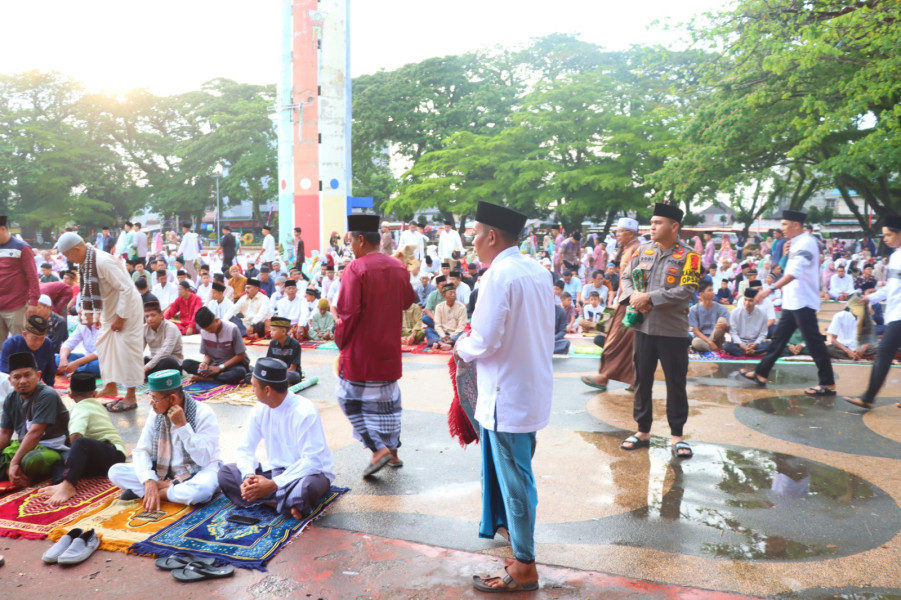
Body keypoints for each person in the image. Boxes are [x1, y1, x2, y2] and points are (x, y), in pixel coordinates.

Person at [456, 201, 552, 594]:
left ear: (492, 236)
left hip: (506, 395)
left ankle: (525, 567)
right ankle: (519, 553)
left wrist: (461, 345)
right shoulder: (538, 270)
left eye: (476, 235)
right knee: (518, 475)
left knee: (517, 484)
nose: (473, 243)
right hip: (528, 389)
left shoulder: (498, 276)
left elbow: (485, 339)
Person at [335, 214, 416, 477]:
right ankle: (393, 453)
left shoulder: (356, 268)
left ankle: (377, 449)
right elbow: (407, 302)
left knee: (349, 400)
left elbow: (348, 314)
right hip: (389, 351)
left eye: (350, 242)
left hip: (361, 353)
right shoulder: (397, 266)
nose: (350, 247)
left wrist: (340, 343)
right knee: (388, 403)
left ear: (361, 240)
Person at [619, 203, 699, 459]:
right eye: (651, 222)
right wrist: (634, 296)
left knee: (676, 383)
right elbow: (626, 278)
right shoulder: (642, 251)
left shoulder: (690, 256)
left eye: (658, 223)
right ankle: (643, 431)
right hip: (643, 328)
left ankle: (677, 435)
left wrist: (649, 298)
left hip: (672, 330)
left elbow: (686, 290)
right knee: (642, 380)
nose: (652, 227)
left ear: (674, 227)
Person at [219, 358, 334, 520]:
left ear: (267, 390)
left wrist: (272, 485)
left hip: (306, 474)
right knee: (225, 474)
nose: (251, 390)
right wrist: (248, 478)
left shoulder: (305, 411)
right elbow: (245, 449)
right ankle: (286, 505)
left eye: (253, 385)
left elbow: (313, 462)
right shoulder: (260, 409)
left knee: (308, 488)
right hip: (274, 471)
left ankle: (272, 500)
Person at [741, 210, 836, 396]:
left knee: (814, 342)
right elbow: (786, 268)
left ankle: (828, 383)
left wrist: (769, 289)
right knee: (778, 340)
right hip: (793, 301)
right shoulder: (796, 243)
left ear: (796, 225)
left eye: (785, 224)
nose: (782, 228)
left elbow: (795, 273)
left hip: (803, 301)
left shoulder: (807, 243)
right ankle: (761, 373)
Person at [57, 232, 145, 411]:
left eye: (68, 255)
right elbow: (96, 292)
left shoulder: (103, 261)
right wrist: (97, 315)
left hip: (127, 309)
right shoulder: (86, 262)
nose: (69, 260)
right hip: (108, 310)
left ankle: (130, 396)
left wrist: (120, 317)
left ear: (77, 249)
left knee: (128, 351)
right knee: (104, 346)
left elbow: (127, 289)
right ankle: (110, 385)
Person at [108, 370, 221, 508]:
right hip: (163, 474)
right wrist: (149, 480)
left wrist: (182, 426)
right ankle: (166, 488)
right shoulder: (156, 414)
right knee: (115, 472)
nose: (151, 403)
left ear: (172, 399)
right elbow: (142, 450)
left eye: (155, 398)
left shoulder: (203, 413)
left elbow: (203, 459)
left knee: (200, 490)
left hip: (198, 472)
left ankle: (155, 493)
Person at [39, 373, 127, 505]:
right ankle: (61, 483)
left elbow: (76, 436)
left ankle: (68, 485)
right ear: (95, 394)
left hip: (113, 454)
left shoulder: (81, 407)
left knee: (80, 444)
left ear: (70, 394)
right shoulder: (98, 405)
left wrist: (72, 456)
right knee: (58, 462)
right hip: (104, 462)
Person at [845, 216, 901, 409]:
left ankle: (868, 397)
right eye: (883, 235)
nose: (885, 239)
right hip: (894, 312)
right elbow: (892, 288)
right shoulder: (895, 257)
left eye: (888, 234)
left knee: (885, 351)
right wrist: (871, 297)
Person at [581, 217, 641, 391]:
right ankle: (635, 378)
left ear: (630, 233)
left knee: (614, 341)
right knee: (630, 341)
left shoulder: (635, 250)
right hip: (626, 300)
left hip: (630, 301)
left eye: (620, 231)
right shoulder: (629, 248)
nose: (617, 235)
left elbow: (636, 278)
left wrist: (630, 302)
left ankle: (605, 375)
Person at [0, 352, 69, 490]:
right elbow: (5, 434)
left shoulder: (47, 395)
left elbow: (35, 433)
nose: (23, 381)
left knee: (33, 461)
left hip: (52, 447)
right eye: (17, 377)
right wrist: (11, 465)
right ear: (10, 380)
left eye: (27, 375)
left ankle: (15, 469)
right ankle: (11, 472)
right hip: (22, 445)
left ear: (38, 375)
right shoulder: (11, 398)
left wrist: (14, 462)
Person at [0, 215, 41, 341]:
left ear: (2, 229)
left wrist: (33, 302)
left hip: (16, 306)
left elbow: (33, 277)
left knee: (20, 344)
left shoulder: (22, 248)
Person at [182, 307, 248, 384]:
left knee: (240, 372)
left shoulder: (232, 329)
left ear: (216, 320)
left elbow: (241, 355)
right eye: (206, 330)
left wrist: (220, 368)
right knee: (186, 363)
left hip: (232, 365)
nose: (209, 332)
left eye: (210, 328)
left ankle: (208, 379)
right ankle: (218, 377)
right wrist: (205, 364)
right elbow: (207, 354)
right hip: (213, 365)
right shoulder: (204, 331)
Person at [1, 315, 57, 386]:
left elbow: (50, 373)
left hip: (36, 386)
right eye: (35, 338)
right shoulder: (11, 344)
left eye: (42, 338)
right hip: (14, 386)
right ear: (24, 334)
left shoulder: (47, 344)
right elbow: (5, 374)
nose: (38, 342)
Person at [250, 317, 303, 385]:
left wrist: (275, 375)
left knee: (292, 376)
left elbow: (292, 368)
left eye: (273, 330)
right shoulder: (273, 343)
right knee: (252, 372)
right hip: (275, 373)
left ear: (283, 331)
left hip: (289, 373)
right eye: (271, 330)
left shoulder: (295, 344)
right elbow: (269, 362)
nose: (271, 333)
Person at [723, 289, 771, 357]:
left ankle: (747, 352)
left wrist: (754, 345)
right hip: (740, 343)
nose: (747, 303)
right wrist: (743, 346)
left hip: (755, 343)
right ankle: (754, 353)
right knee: (727, 346)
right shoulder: (735, 312)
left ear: (755, 301)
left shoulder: (762, 314)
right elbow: (733, 333)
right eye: (745, 300)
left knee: (770, 345)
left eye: (750, 300)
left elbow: (763, 334)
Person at [142, 301, 184, 377]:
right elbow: (139, 349)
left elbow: (165, 353)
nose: (150, 319)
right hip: (153, 361)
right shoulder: (144, 328)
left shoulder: (171, 327)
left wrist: (145, 368)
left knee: (166, 362)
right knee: (139, 361)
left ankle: (146, 374)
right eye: (147, 316)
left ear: (161, 315)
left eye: (153, 315)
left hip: (170, 361)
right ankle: (148, 374)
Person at [688, 281, 730, 352]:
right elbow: (696, 331)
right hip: (702, 339)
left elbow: (730, 330)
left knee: (722, 320)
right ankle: (716, 349)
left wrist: (726, 326)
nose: (713, 292)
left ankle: (713, 348)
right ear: (701, 294)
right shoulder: (694, 310)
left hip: (718, 338)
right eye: (710, 290)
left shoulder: (721, 308)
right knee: (695, 342)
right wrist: (710, 342)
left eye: (713, 290)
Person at [426, 283, 466, 351]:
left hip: (455, 333)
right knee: (428, 330)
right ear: (444, 296)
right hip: (443, 334)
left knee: (464, 334)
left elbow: (461, 326)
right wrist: (443, 335)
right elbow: (437, 325)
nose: (453, 295)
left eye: (454, 293)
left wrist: (451, 337)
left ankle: (442, 342)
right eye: (450, 293)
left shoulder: (461, 307)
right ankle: (444, 343)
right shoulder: (439, 307)